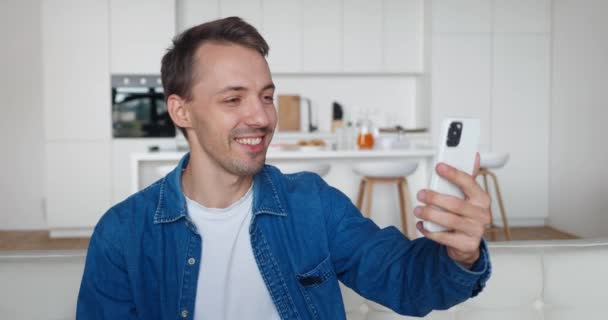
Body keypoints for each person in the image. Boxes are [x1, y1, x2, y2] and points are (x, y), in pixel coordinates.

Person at [77, 17, 492, 320]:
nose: (261, 117)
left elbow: (406, 281)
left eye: (266, 96)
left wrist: (460, 254)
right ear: (181, 110)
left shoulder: (315, 204)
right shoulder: (122, 234)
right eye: (233, 99)